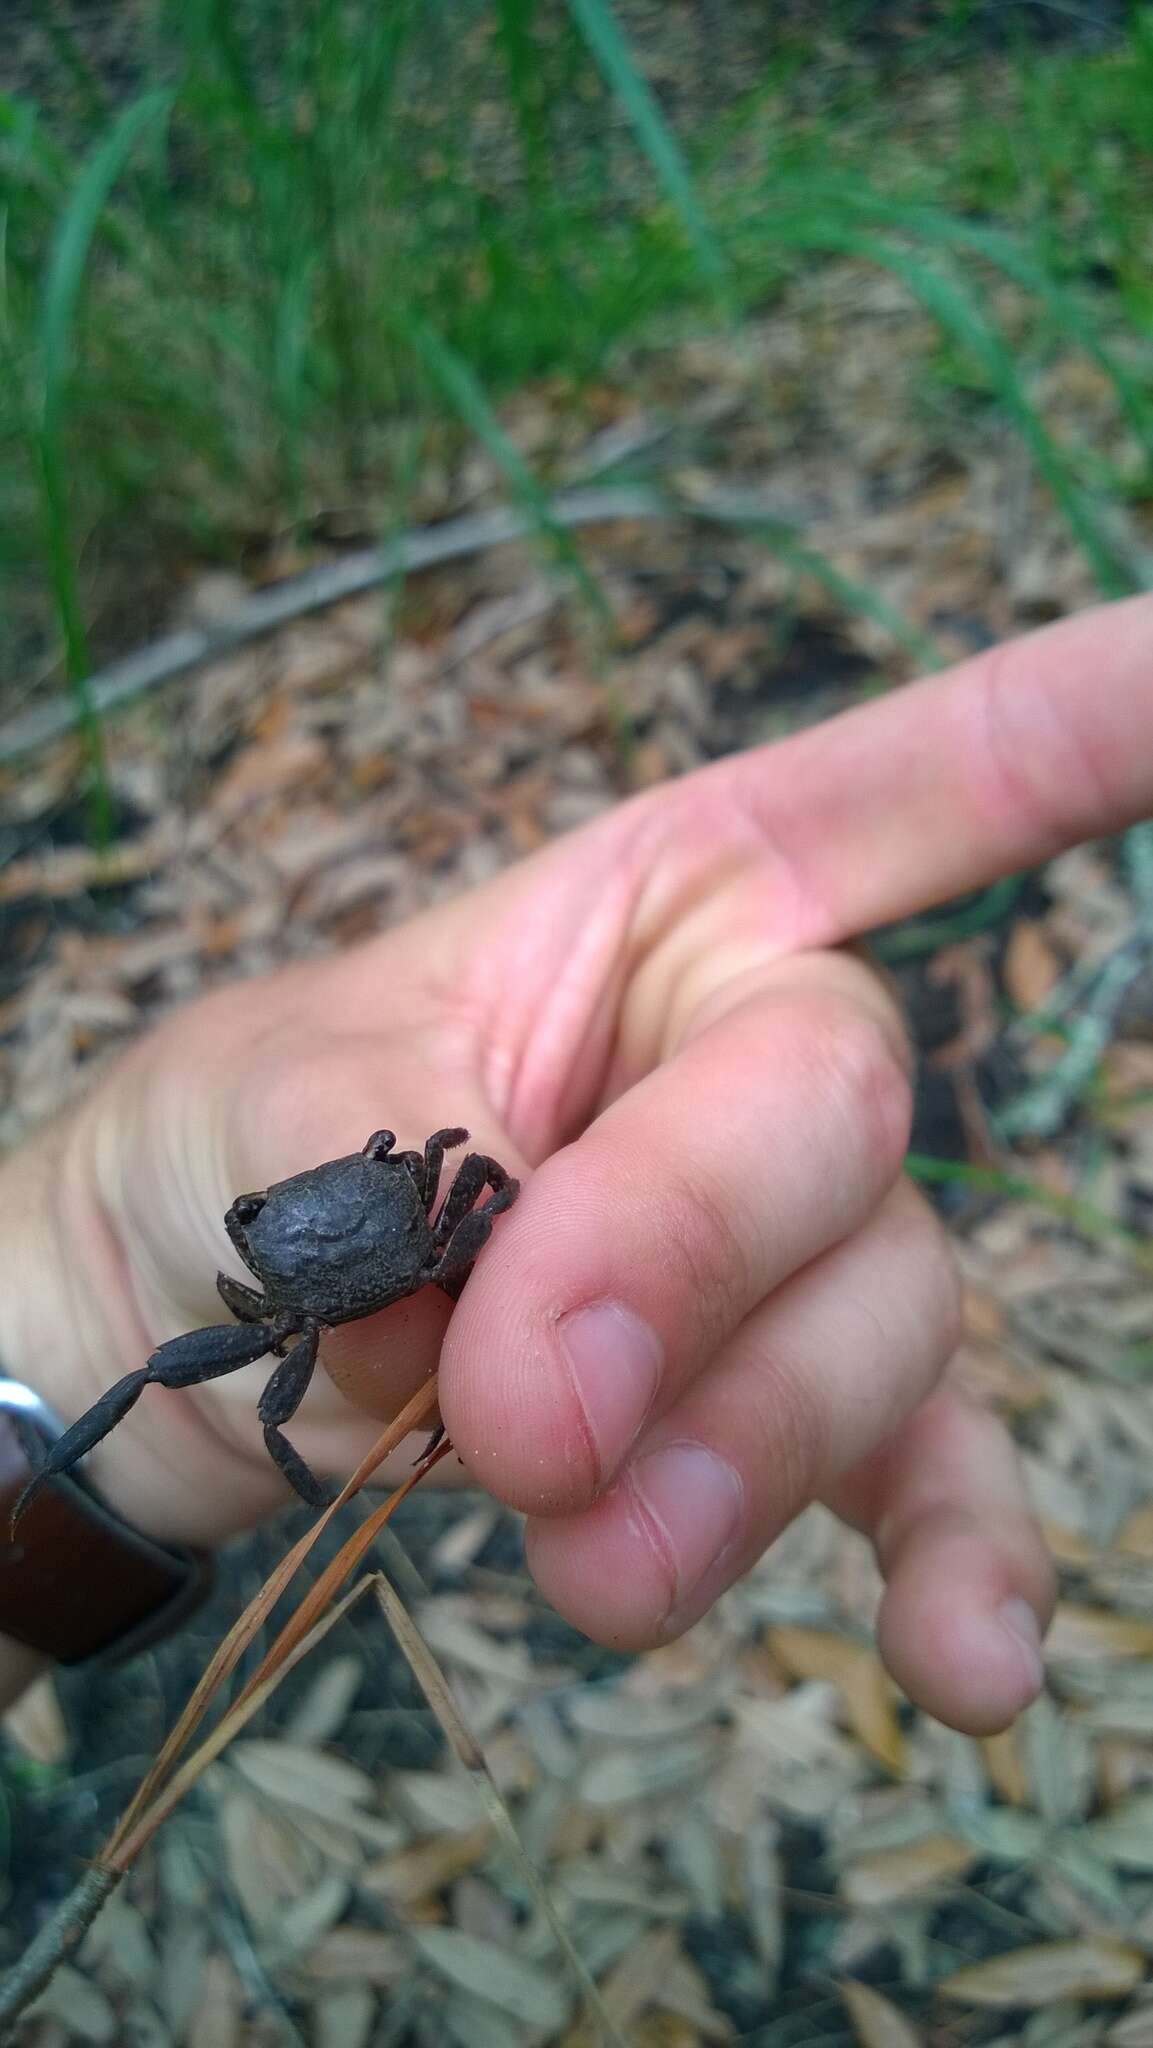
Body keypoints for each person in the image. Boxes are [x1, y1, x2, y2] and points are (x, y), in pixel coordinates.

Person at [0, 593, 1149, 1731]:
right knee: (262, 1347)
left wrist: (91, 1303)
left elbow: (439, 1226)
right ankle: (273, 1521)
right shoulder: (424, 1196)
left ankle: (248, 1514)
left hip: (373, 1329)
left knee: (217, 1386)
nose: (431, 1152)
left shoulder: (298, 1295)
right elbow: (473, 1177)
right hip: (404, 1309)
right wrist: (86, 1274)